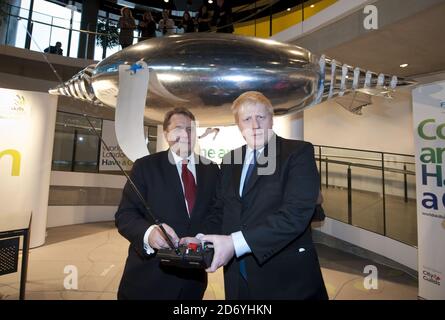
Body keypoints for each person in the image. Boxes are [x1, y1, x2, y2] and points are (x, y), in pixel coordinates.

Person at [190, 91, 328, 299]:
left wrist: (234, 243)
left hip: (285, 278)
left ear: (271, 120)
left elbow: (295, 214)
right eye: (247, 119)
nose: (254, 125)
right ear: (239, 126)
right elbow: (221, 209)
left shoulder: (298, 152)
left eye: (260, 117)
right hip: (237, 276)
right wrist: (199, 238)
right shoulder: (230, 159)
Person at [115, 107, 220, 300]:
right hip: (147, 281)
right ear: (166, 133)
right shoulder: (145, 166)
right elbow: (125, 215)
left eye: (190, 129)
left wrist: (201, 237)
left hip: (193, 283)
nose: (185, 134)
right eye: (179, 128)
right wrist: (149, 233)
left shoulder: (212, 169)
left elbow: (216, 212)